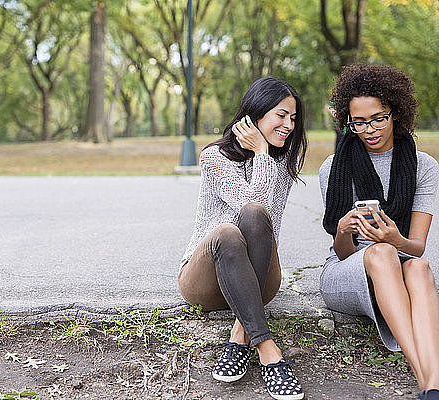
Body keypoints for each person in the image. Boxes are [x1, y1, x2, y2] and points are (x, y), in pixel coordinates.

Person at [178, 76, 308, 400]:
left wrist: (264, 152)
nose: (289, 125)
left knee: (253, 216)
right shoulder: (214, 158)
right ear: (256, 113)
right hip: (205, 281)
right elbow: (245, 203)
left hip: (259, 278)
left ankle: (240, 332)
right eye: (281, 115)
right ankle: (266, 347)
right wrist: (262, 152)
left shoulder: (282, 162)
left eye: (293, 118)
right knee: (226, 232)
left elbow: (262, 216)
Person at [319, 63, 439, 400]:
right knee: (381, 253)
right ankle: (424, 376)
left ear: (396, 114)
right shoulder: (334, 167)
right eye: (358, 122)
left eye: (378, 118)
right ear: (348, 121)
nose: (369, 129)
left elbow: (415, 248)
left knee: (419, 267)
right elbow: (342, 251)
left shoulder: (425, 166)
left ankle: (434, 388)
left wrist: (394, 238)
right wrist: (343, 229)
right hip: (346, 270)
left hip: (398, 259)